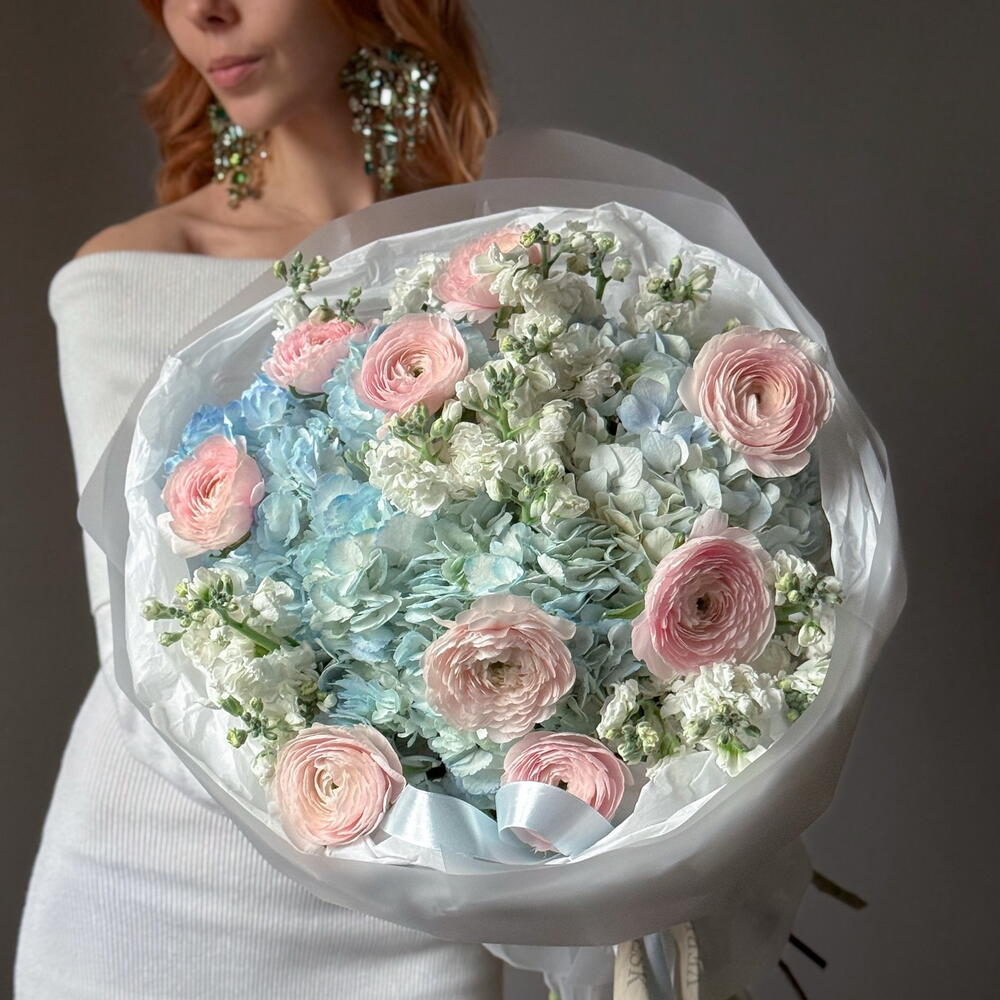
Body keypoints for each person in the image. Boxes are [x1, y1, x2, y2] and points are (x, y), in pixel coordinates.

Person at [14, 1, 506, 997]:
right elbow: (152, 641)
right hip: (154, 887)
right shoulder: (135, 273)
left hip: (424, 894)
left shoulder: (493, 262)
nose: (204, 12)